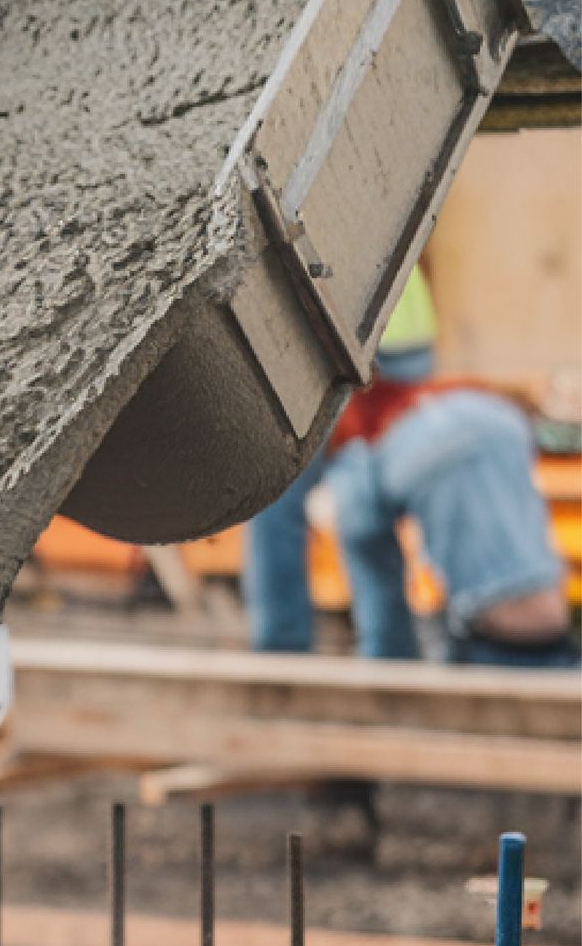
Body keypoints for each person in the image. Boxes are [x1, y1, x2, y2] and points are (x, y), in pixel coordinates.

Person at [243, 268, 574, 666]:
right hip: (392, 327)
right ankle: (331, 656)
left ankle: (286, 657)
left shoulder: (407, 443)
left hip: (337, 329)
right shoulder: (490, 418)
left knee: (291, 489)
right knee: (358, 486)